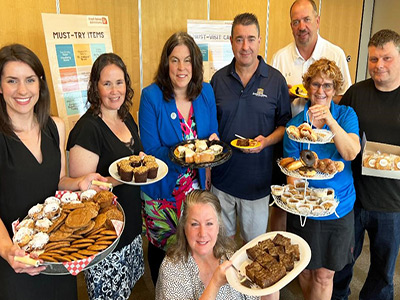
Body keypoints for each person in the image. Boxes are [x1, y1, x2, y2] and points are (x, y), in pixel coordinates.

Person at [0, 44, 106, 300]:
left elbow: (57, 182)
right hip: (15, 262)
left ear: (40, 83)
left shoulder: (55, 127)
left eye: (30, 80)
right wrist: (7, 249)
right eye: (12, 81)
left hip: (57, 252)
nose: (22, 90)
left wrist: (80, 181)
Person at [139, 31, 219, 285]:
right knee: (164, 251)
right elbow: (152, 152)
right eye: (175, 60)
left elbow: (212, 135)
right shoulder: (151, 96)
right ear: (166, 64)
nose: (181, 67)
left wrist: (213, 143)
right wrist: (189, 152)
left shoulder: (206, 92)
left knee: (195, 248)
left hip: (197, 190)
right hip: (164, 192)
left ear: (195, 64)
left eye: (187, 60)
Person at [270, 0, 353, 232]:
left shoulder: (334, 53)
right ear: (291, 26)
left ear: (317, 21)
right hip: (292, 136)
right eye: (296, 22)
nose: (302, 26)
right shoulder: (280, 57)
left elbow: (342, 96)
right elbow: (275, 104)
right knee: (288, 199)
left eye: (306, 19)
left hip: (327, 139)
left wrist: (321, 107)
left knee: (324, 185)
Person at [67, 53, 144, 299]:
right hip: (106, 238)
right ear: (95, 87)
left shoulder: (126, 117)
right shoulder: (87, 129)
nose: (114, 91)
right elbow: (82, 194)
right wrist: (121, 179)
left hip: (130, 227)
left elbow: (133, 157)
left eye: (119, 82)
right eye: (107, 83)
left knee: (127, 290)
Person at [210, 13, 291, 244]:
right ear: (231, 41)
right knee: (221, 246)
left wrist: (265, 141)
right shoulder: (217, 80)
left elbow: (284, 126)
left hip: (258, 182)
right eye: (239, 39)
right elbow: (211, 125)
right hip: (221, 180)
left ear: (259, 41)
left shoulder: (275, 81)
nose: (245, 46)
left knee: (253, 247)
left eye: (251, 39)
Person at [283, 58, 360, 300]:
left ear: (335, 89)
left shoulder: (346, 115)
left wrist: (329, 120)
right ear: (307, 88)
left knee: (324, 275)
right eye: (315, 84)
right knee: (304, 271)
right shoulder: (295, 127)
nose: (321, 91)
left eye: (327, 85)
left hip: (337, 208)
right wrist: (295, 203)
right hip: (305, 208)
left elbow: (350, 152)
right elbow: (291, 176)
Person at [332, 29, 400, 300]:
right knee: (343, 264)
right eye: (373, 59)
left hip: (392, 203)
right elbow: (338, 130)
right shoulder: (356, 93)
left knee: (383, 271)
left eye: (387, 58)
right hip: (355, 197)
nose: (379, 65)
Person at [156, 189, 279, 300]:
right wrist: (215, 284)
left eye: (209, 224)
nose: (202, 233)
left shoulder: (231, 257)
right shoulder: (171, 269)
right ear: (184, 227)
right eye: (194, 224)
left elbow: (256, 296)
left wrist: (272, 287)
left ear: (218, 226)